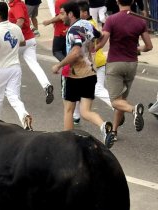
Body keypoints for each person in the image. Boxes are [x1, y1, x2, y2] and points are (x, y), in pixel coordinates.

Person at [51, 1, 114, 148]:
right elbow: (103, 35)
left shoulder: (73, 31)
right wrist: (95, 48)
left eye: (62, 14)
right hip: (90, 73)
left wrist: (59, 65)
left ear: (70, 14)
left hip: (73, 76)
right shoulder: (87, 25)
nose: (60, 17)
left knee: (68, 110)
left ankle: (68, 144)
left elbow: (76, 52)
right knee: (85, 111)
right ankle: (103, 126)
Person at [94, 0, 152, 135]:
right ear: (132, 1)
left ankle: (134, 109)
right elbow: (149, 46)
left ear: (117, 1)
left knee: (115, 102)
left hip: (115, 63)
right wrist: (138, 48)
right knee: (122, 101)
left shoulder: (111, 20)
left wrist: (92, 47)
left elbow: (101, 43)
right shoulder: (140, 21)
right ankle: (114, 131)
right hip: (132, 63)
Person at [0, 1, 32, 130]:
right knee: (14, 97)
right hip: (15, 68)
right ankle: (24, 116)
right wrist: (10, 45)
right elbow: (23, 42)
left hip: (0, 69)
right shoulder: (16, 28)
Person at [8, 0, 53, 104]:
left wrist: (14, 36)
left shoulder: (17, 5)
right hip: (29, 40)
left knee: (10, 66)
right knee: (34, 65)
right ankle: (46, 85)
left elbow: (20, 21)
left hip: (21, 41)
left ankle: (5, 92)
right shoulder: (17, 4)